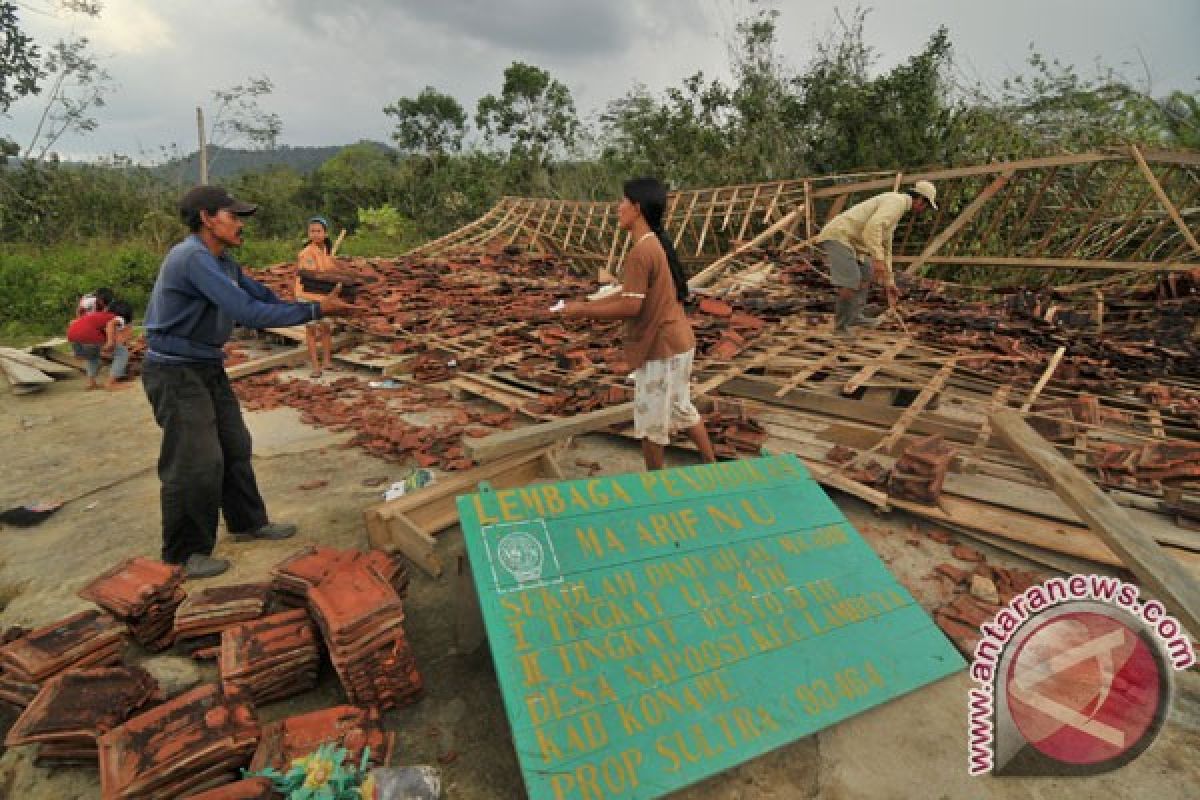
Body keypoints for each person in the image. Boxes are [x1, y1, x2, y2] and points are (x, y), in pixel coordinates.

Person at [141, 186, 359, 579]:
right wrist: (314, 310)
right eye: (233, 216)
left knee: (234, 444)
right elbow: (248, 312)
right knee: (195, 459)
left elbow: (261, 296)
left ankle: (247, 523)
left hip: (206, 365)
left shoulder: (223, 262)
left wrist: (318, 301)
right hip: (175, 370)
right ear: (207, 218)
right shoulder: (192, 258)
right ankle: (184, 554)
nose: (240, 224)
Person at [561, 177, 717, 471]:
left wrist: (582, 310)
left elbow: (631, 305)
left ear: (637, 208)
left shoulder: (641, 253)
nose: (618, 208)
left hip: (662, 349)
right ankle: (711, 462)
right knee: (680, 408)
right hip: (679, 343)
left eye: (623, 202)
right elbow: (628, 294)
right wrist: (587, 306)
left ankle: (653, 485)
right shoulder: (654, 245)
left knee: (650, 425)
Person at [816, 180, 937, 336]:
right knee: (850, 281)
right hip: (839, 236)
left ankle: (855, 317)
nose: (923, 209)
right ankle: (840, 328)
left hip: (852, 243)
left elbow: (887, 249)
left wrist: (890, 282)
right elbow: (872, 228)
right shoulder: (896, 202)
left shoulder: (897, 211)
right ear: (920, 199)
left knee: (866, 273)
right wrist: (877, 259)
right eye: (925, 205)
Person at [294, 216, 338, 378]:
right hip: (307, 294)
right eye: (312, 231)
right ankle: (315, 367)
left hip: (322, 295)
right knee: (311, 330)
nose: (315, 234)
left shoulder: (326, 251)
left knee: (326, 328)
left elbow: (330, 270)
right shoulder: (306, 253)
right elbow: (313, 278)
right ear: (308, 233)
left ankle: (327, 362)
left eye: (319, 231)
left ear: (325, 233)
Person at [66, 297, 115, 390]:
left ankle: (91, 382)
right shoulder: (111, 316)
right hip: (88, 337)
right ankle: (106, 379)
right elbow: (113, 331)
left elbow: (76, 319)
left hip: (72, 336)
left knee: (92, 358)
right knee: (97, 359)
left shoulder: (88, 315)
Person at [101, 299, 135, 390]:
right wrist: (110, 342)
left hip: (89, 344)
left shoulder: (106, 318)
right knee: (123, 353)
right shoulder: (118, 318)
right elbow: (111, 324)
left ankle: (91, 382)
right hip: (107, 346)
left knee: (121, 352)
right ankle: (111, 383)